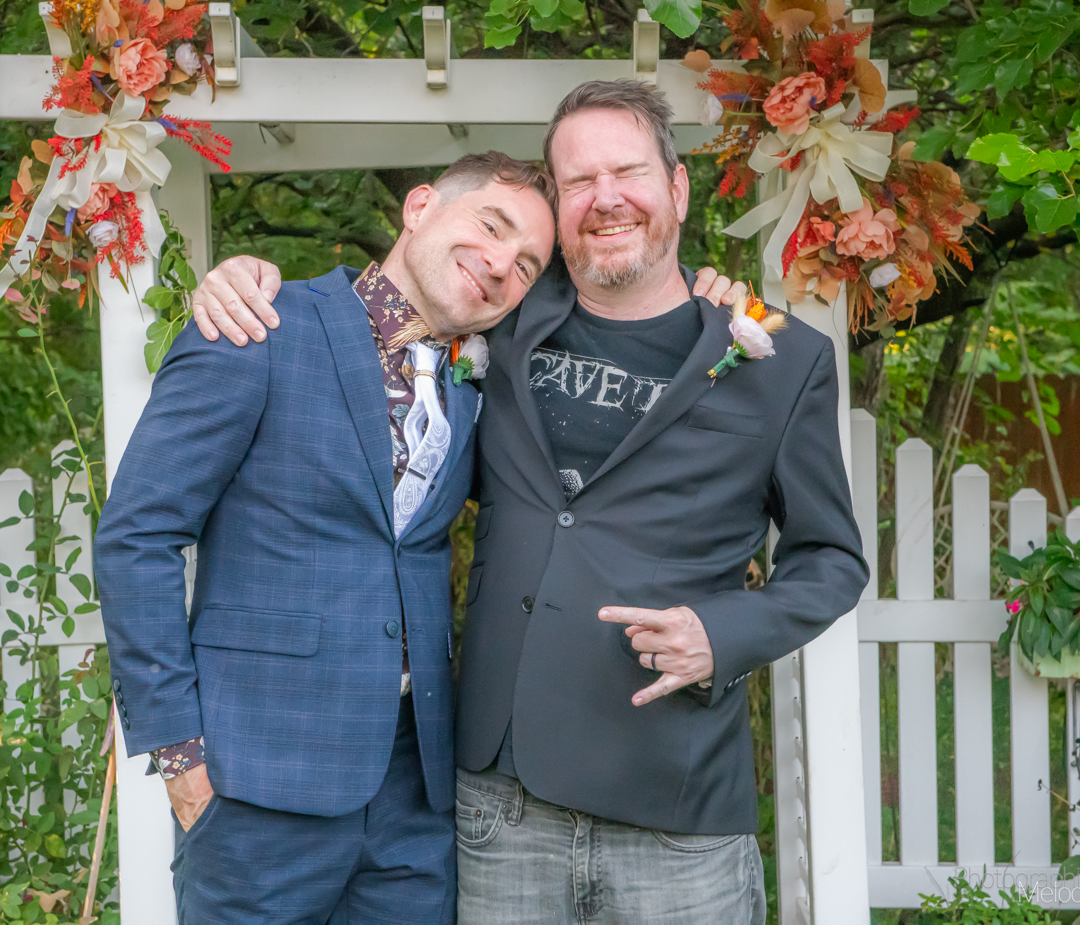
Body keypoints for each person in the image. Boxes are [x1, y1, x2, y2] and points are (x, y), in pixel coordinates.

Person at [191, 80, 868, 924]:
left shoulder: (779, 359)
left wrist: (722, 634)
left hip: (678, 807)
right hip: (499, 813)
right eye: (579, 181)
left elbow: (831, 558)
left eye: (628, 172)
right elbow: (375, 326)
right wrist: (241, 281)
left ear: (677, 187)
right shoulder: (498, 319)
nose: (605, 197)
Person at [93, 151, 557, 924]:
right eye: (491, 224)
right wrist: (179, 756)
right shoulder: (258, 326)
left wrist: (709, 305)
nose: (502, 263)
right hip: (252, 790)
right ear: (419, 208)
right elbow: (137, 536)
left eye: (529, 264)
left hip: (414, 801)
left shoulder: (481, 386)